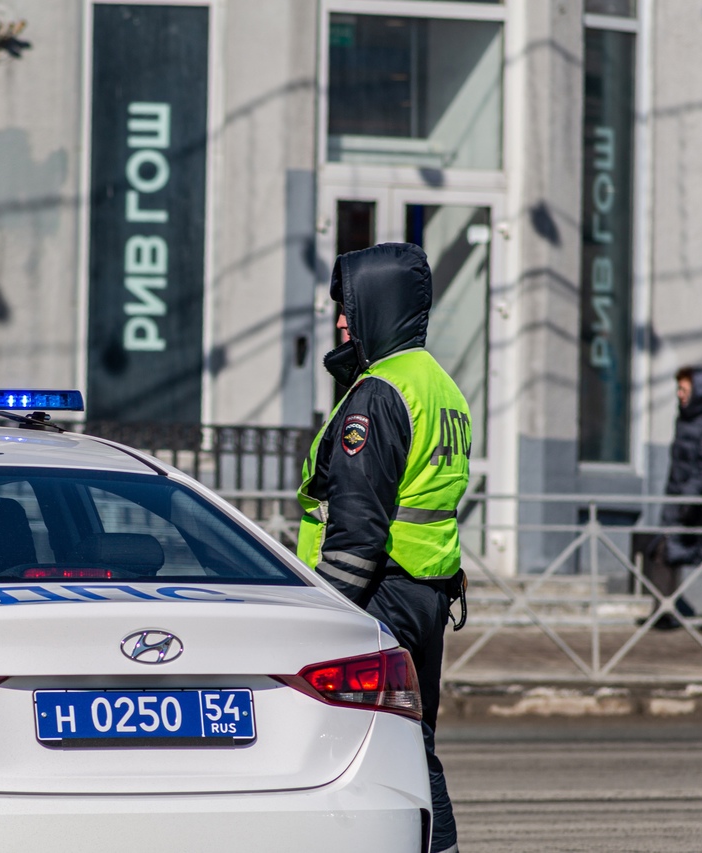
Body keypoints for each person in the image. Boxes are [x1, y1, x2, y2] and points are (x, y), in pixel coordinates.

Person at [296, 242, 469, 853]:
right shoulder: (440, 386)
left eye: (349, 307)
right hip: (426, 593)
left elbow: (358, 524)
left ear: (378, 306)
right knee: (411, 740)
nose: (341, 319)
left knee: (368, 745)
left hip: (377, 597)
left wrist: (325, 612)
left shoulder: (379, 393)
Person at [647, 365, 702, 631]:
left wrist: (689, 500)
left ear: (701, 392)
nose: (680, 394)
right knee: (664, 551)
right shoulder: (684, 420)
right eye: (679, 389)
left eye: (685, 389)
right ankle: (662, 613)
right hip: (682, 505)